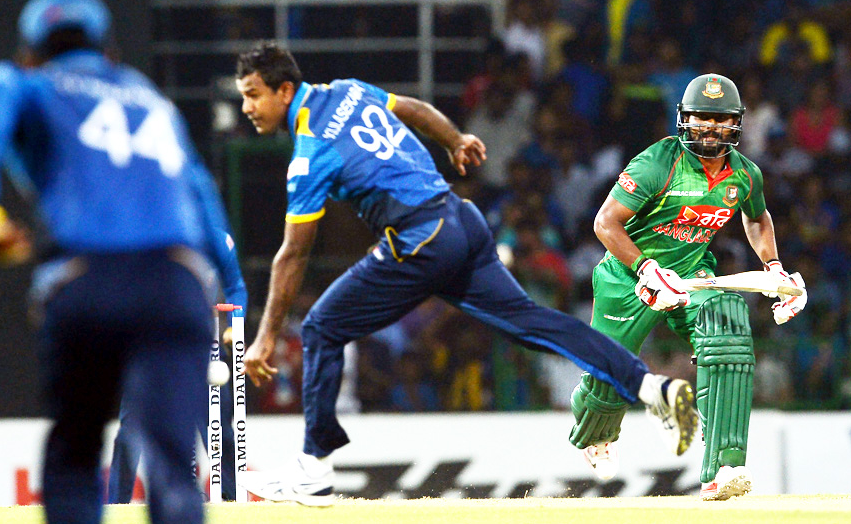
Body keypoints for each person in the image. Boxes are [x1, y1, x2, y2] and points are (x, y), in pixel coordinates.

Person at [230, 41, 699, 506]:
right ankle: (649, 386)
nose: (246, 106)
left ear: (285, 91)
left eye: (253, 94)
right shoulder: (349, 91)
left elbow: (293, 255)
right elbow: (414, 108)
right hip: (462, 219)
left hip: (422, 238)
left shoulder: (311, 154)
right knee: (532, 321)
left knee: (319, 327)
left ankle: (313, 470)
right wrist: (454, 140)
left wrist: (266, 336)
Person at [0, 0, 232, 524]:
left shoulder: (24, 80)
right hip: (177, 284)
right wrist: (228, 290)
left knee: (76, 455)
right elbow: (202, 197)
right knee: (174, 465)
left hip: (87, 280)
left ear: (29, 50)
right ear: (109, 50)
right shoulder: (151, 97)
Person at [569, 73, 808, 500]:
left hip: (694, 274)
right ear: (684, 119)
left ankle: (723, 467)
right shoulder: (657, 163)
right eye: (701, 118)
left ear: (735, 124)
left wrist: (774, 266)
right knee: (609, 374)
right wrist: (645, 268)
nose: (710, 128)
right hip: (628, 277)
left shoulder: (745, 175)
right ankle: (595, 430)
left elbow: (756, 217)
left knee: (729, 327)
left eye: (719, 120)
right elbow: (605, 222)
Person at [108, 229, 247, 503]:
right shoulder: (149, 232)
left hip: (199, 343)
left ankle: (232, 500)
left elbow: (235, 286)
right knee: (130, 429)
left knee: (219, 427)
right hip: (148, 344)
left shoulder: (217, 239)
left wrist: (234, 325)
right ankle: (116, 503)